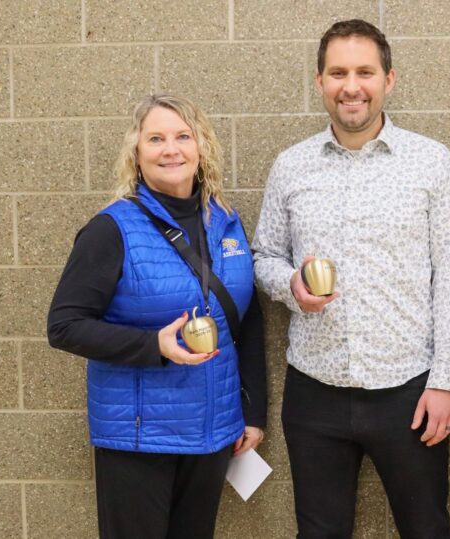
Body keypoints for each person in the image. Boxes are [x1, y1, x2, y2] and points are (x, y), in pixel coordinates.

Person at [251, 19, 450, 539]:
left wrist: (445, 381)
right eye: (339, 72)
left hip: (409, 391)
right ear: (320, 82)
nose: (352, 85)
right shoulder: (291, 166)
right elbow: (263, 256)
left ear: (388, 80)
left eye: (365, 72)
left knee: (427, 529)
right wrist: (291, 288)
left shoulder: (431, 163)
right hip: (315, 391)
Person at [47, 93, 267, 539]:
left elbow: (248, 319)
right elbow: (64, 326)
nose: (171, 149)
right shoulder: (112, 229)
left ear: (201, 147)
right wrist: (154, 347)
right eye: (156, 138)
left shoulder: (225, 222)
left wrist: (252, 412)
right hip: (139, 440)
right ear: (137, 152)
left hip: (212, 434)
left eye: (183, 136)